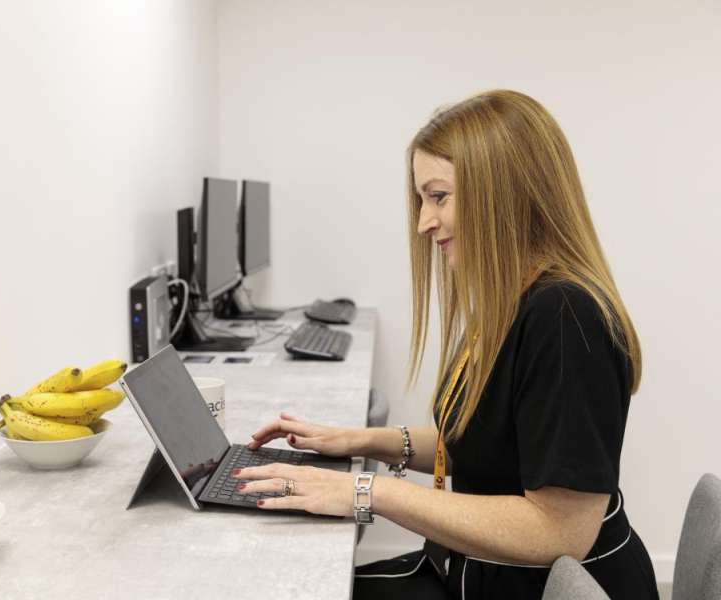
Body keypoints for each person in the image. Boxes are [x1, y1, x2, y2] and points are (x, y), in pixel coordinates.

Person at [233, 90, 658, 599]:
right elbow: (487, 447)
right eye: (421, 200)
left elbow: (560, 530)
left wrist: (366, 491)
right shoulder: (517, 298)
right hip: (473, 572)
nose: (423, 223)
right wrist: (358, 441)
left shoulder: (565, 318)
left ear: (502, 191)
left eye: (438, 197)